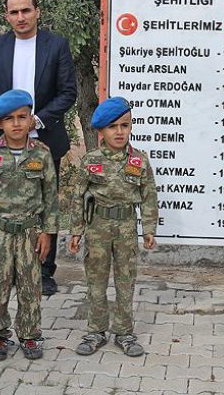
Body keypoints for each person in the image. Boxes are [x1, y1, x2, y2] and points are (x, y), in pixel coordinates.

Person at [0, 0, 78, 296]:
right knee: (2, 203)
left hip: (45, 139)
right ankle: (5, 268)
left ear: (37, 11)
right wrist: (1, 119)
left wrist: (38, 120)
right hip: (3, 142)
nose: (20, 17)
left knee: (45, 205)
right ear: (6, 16)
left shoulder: (56, 45)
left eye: (26, 10)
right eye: (14, 12)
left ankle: (44, 272)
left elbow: (68, 92)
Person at [0, 89, 58, 361]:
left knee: (31, 287)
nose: (17, 124)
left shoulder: (42, 154)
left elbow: (50, 196)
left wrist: (48, 232)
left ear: (31, 119)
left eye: (22, 117)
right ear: (0, 123)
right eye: (9, 119)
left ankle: (30, 335)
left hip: (30, 233)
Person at [68, 97, 158, 357]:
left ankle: (124, 333)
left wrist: (148, 229)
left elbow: (149, 196)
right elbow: (78, 197)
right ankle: (95, 331)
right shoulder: (91, 160)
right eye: (113, 127)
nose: (119, 132)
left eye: (125, 125)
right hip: (97, 227)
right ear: (101, 131)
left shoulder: (139, 160)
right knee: (96, 281)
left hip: (126, 227)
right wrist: (76, 231)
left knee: (125, 281)